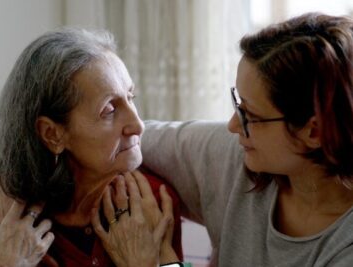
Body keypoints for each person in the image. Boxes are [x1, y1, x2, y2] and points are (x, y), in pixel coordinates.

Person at [94, 12, 353, 266]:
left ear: (314, 132)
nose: (232, 125)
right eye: (236, 102)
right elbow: (128, 137)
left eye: (249, 114)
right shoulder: (234, 155)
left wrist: (155, 263)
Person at [0, 28, 183, 267]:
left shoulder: (152, 201)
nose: (137, 125)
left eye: (130, 98)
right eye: (110, 110)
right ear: (52, 134)